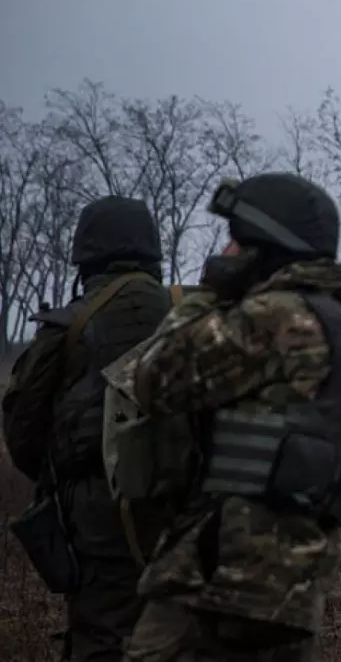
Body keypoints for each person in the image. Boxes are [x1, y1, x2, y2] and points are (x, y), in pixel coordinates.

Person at [112, 173, 341, 661]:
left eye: (236, 240)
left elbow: (154, 377)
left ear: (265, 245)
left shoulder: (276, 318)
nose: (227, 249)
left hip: (212, 584)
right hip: (292, 590)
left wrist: (210, 290)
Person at [2, 196, 175, 660]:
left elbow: (23, 436)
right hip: (187, 506)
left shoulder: (68, 326)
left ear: (85, 255)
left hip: (99, 513)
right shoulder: (191, 314)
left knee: (102, 634)